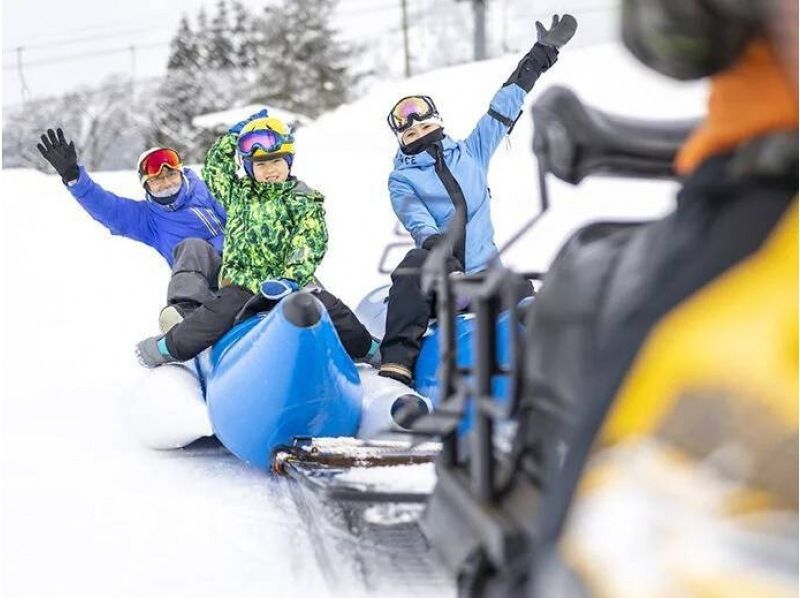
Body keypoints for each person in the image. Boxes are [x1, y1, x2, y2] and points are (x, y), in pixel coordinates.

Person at [377, 14, 577, 385]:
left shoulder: (471, 153)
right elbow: (416, 219)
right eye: (411, 132)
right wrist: (441, 254)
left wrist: (542, 53)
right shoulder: (401, 178)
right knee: (413, 263)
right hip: (440, 282)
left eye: (425, 125)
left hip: (482, 279)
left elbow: (503, 106)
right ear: (401, 140)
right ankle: (397, 363)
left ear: (438, 122)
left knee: (519, 287)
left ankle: (555, 365)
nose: (420, 133)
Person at [135, 113, 374, 367]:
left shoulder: (303, 200)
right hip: (244, 283)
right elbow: (215, 171)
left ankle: (368, 349)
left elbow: (309, 241)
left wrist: (291, 277)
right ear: (249, 168)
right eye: (260, 165)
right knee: (214, 315)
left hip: (290, 283)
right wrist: (231, 139)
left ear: (289, 162)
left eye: (276, 162)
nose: (270, 170)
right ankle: (168, 347)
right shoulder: (239, 195)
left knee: (331, 308)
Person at [36, 131, 226, 332]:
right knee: (193, 247)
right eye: (158, 180)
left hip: (248, 257)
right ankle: (186, 311)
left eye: (171, 174)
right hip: (212, 281)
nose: (167, 183)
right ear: (147, 185)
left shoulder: (211, 188)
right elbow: (109, 209)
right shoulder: (148, 219)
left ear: (180, 172)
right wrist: (74, 178)